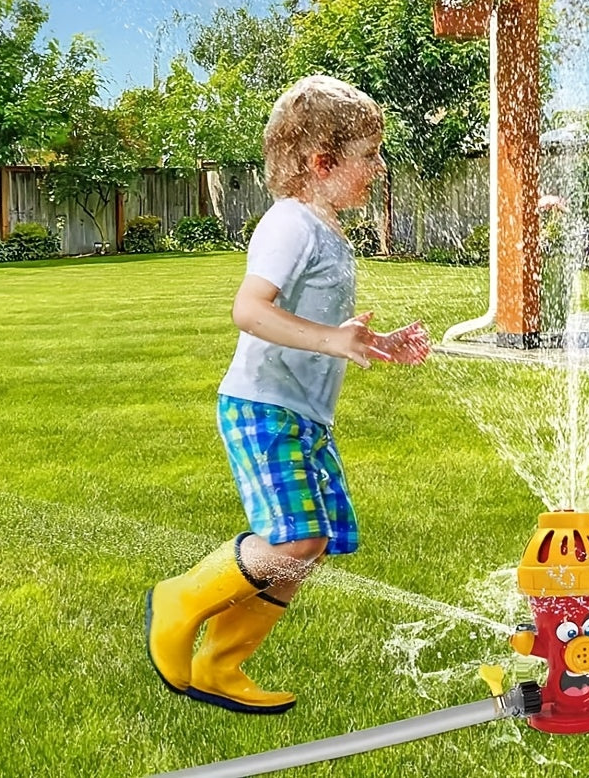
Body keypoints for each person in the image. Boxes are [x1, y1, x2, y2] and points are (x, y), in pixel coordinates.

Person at [146, 74, 431, 714]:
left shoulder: (325, 229)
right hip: (262, 408)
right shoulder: (291, 225)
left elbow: (318, 328)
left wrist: (371, 342)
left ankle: (221, 664)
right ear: (321, 163)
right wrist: (334, 341)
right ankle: (180, 600)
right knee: (294, 539)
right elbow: (250, 310)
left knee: (315, 541)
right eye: (369, 155)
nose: (379, 168)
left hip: (304, 418)